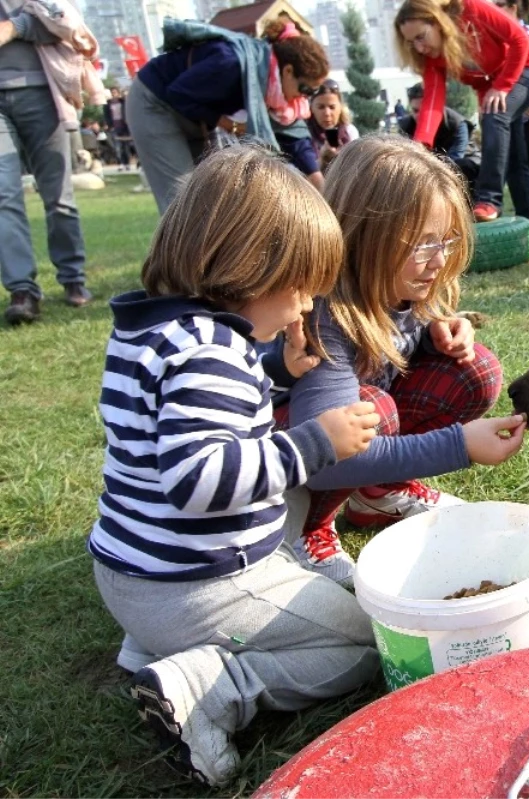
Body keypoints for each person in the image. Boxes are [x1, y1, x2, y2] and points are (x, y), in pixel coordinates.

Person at [88, 146, 383, 787]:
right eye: (300, 285)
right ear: (248, 269)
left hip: (128, 576)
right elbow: (199, 482)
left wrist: (278, 370)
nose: (306, 307)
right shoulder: (211, 352)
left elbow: (188, 408)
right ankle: (210, 685)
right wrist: (315, 442)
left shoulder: (153, 328)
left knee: (291, 513)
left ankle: (153, 647)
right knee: (367, 642)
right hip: (194, 588)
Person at [281, 135, 527, 586]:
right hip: (302, 456)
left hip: (358, 430)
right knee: (371, 412)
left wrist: (439, 334)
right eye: (423, 245)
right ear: (365, 237)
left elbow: (402, 336)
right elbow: (329, 456)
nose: (440, 260)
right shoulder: (324, 315)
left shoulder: (405, 286)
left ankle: (378, 494)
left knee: (478, 371)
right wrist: (460, 445)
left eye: (448, 240)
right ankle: (307, 528)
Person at [127, 16, 330, 214]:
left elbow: (291, 132)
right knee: (180, 202)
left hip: (193, 117)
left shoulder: (274, 87)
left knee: (209, 199)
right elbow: (178, 94)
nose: (304, 97)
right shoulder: (231, 63)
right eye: (306, 89)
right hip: (155, 104)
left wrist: (315, 176)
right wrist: (226, 123)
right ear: (287, 71)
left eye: (312, 92)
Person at [395, 0, 529, 247]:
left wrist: (502, 86)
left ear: (438, 22)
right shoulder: (433, 59)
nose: (419, 47)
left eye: (422, 37)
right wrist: (420, 145)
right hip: (494, 86)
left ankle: (488, 199)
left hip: (528, 69)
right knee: (515, 161)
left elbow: (519, 39)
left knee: (494, 115)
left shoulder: (472, 9)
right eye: (412, 42)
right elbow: (432, 103)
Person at [0, 0, 96, 324]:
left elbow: (68, 24)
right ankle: (22, 291)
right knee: (4, 195)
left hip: (43, 95)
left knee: (58, 197)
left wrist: (16, 27)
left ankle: (72, 277)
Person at [494, 0, 529, 213]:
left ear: (513, 6)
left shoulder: (527, 32)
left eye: (499, 5)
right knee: (517, 161)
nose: (494, 10)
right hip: (510, 105)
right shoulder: (499, 33)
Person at [398, 82, 479, 193]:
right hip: (430, 166)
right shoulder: (406, 125)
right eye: (415, 111)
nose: (420, 116)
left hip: (462, 164)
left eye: (425, 110)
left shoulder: (456, 123)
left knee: (462, 166)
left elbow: (455, 158)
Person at [305, 78, 359, 172]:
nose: (327, 113)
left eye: (332, 107)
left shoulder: (350, 132)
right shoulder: (303, 135)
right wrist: (322, 159)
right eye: (321, 107)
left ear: (340, 108)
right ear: (312, 108)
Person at [104, 86, 133, 170]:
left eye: (115, 92)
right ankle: (121, 163)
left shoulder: (123, 102)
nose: (113, 94)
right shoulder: (107, 104)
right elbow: (106, 116)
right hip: (114, 127)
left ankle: (127, 163)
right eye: (112, 93)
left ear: (118, 93)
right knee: (117, 147)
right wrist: (109, 125)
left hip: (124, 126)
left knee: (125, 146)